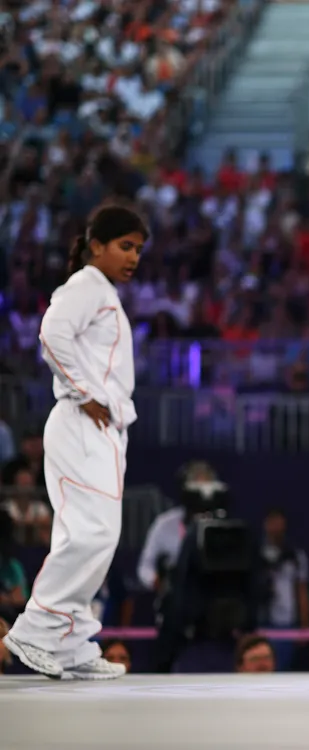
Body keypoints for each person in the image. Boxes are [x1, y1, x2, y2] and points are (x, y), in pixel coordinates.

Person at [2, 203, 147, 680]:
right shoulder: (87, 285)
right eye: (125, 246)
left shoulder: (103, 291)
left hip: (102, 429)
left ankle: (70, 642)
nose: (133, 257)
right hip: (82, 423)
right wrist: (84, 393)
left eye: (138, 250)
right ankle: (35, 629)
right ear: (96, 246)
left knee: (96, 537)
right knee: (91, 533)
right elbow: (52, 332)